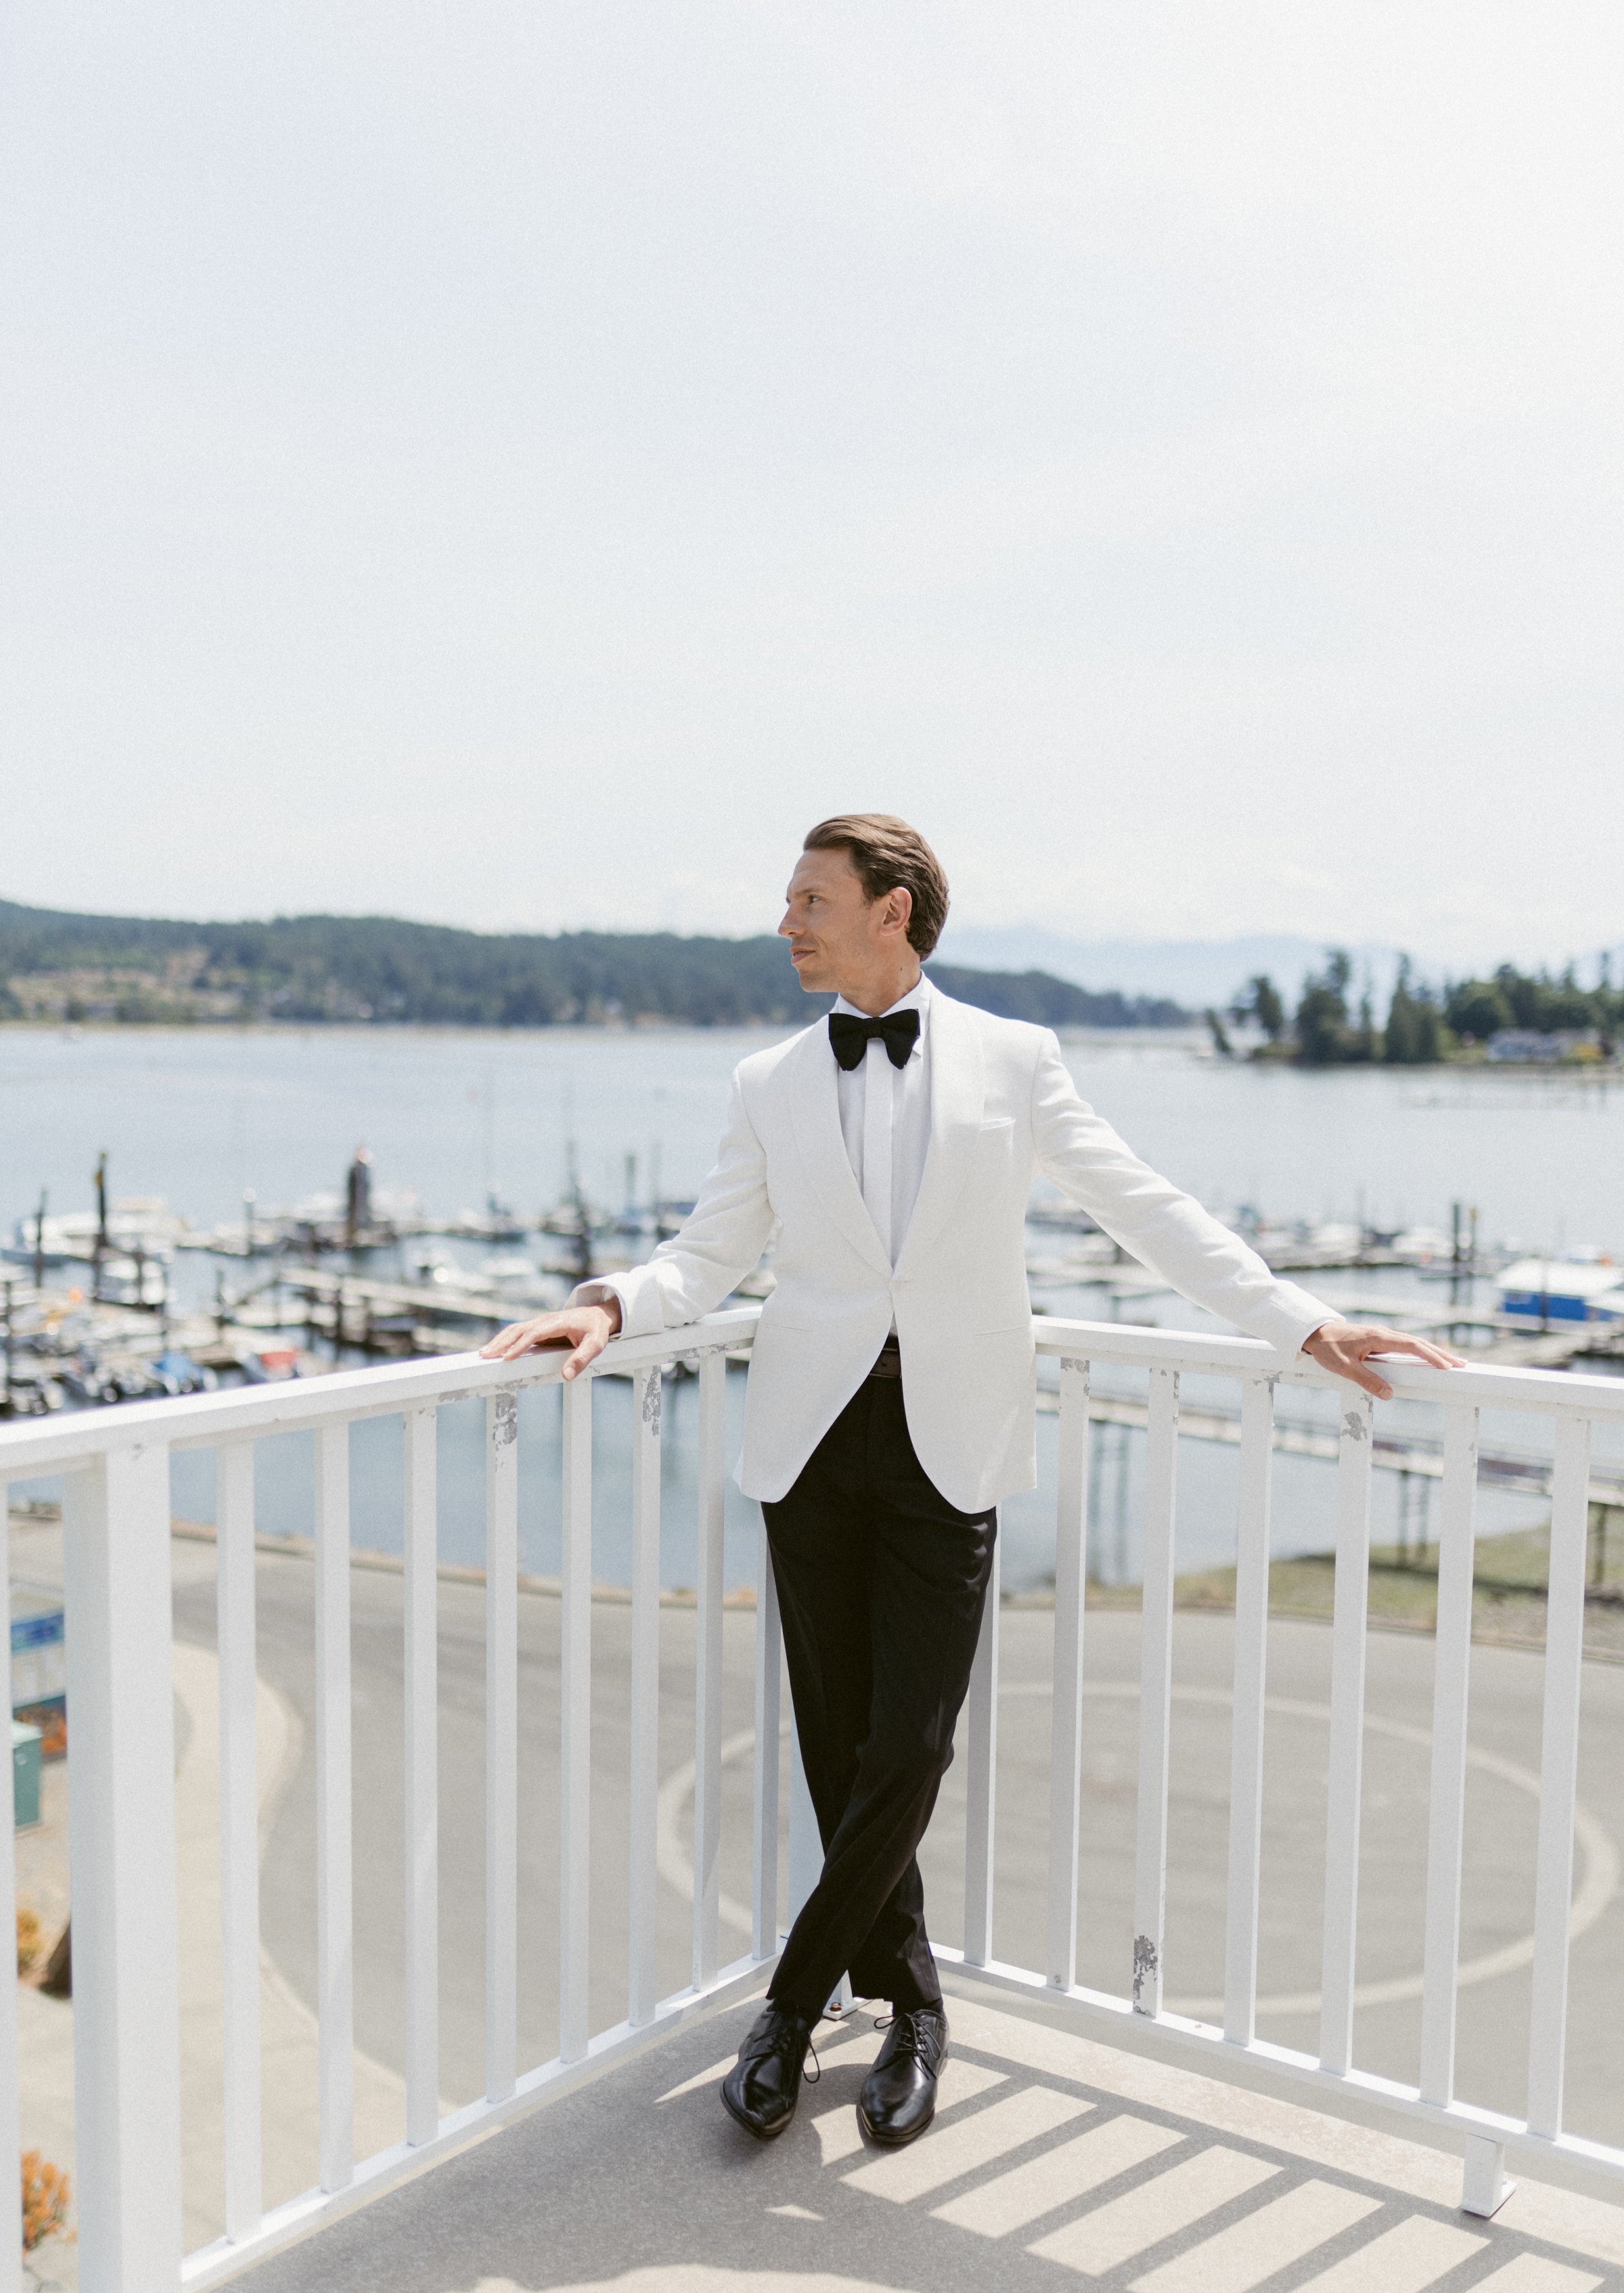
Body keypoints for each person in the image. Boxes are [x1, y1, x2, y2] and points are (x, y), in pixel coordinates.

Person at [482, 817, 1461, 2148]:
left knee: (915, 1744)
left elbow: (1143, 1203)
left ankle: (789, 2004)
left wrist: (1299, 1325)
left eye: (810, 899)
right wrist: (607, 1307)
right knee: (841, 1749)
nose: (787, 921)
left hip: (953, 1442)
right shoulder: (770, 1078)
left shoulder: (1018, 1060)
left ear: (893, 911)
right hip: (811, 1448)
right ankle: (914, 2006)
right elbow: (710, 1252)